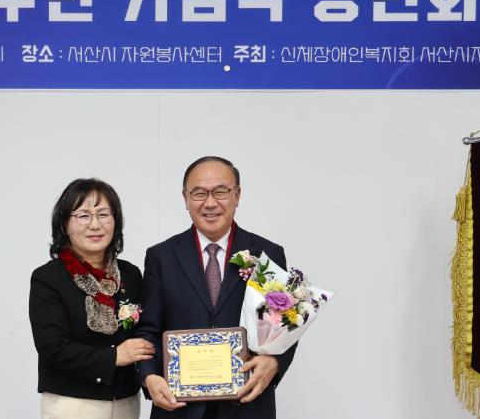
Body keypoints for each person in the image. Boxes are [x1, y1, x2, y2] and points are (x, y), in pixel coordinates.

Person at [136, 156, 297, 419]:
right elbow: (149, 329)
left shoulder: (266, 253)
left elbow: (285, 322)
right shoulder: (161, 257)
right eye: (199, 193)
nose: (210, 203)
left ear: (237, 195)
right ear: (185, 198)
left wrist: (276, 362)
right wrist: (149, 376)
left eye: (220, 191)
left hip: (247, 405)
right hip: (179, 408)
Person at [29, 178, 155, 419]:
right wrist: (114, 356)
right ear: (65, 224)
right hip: (73, 404)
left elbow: (146, 330)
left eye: (103, 214)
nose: (95, 225)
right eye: (83, 216)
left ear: (115, 221)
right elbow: (51, 346)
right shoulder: (48, 277)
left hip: (126, 401)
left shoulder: (129, 273)